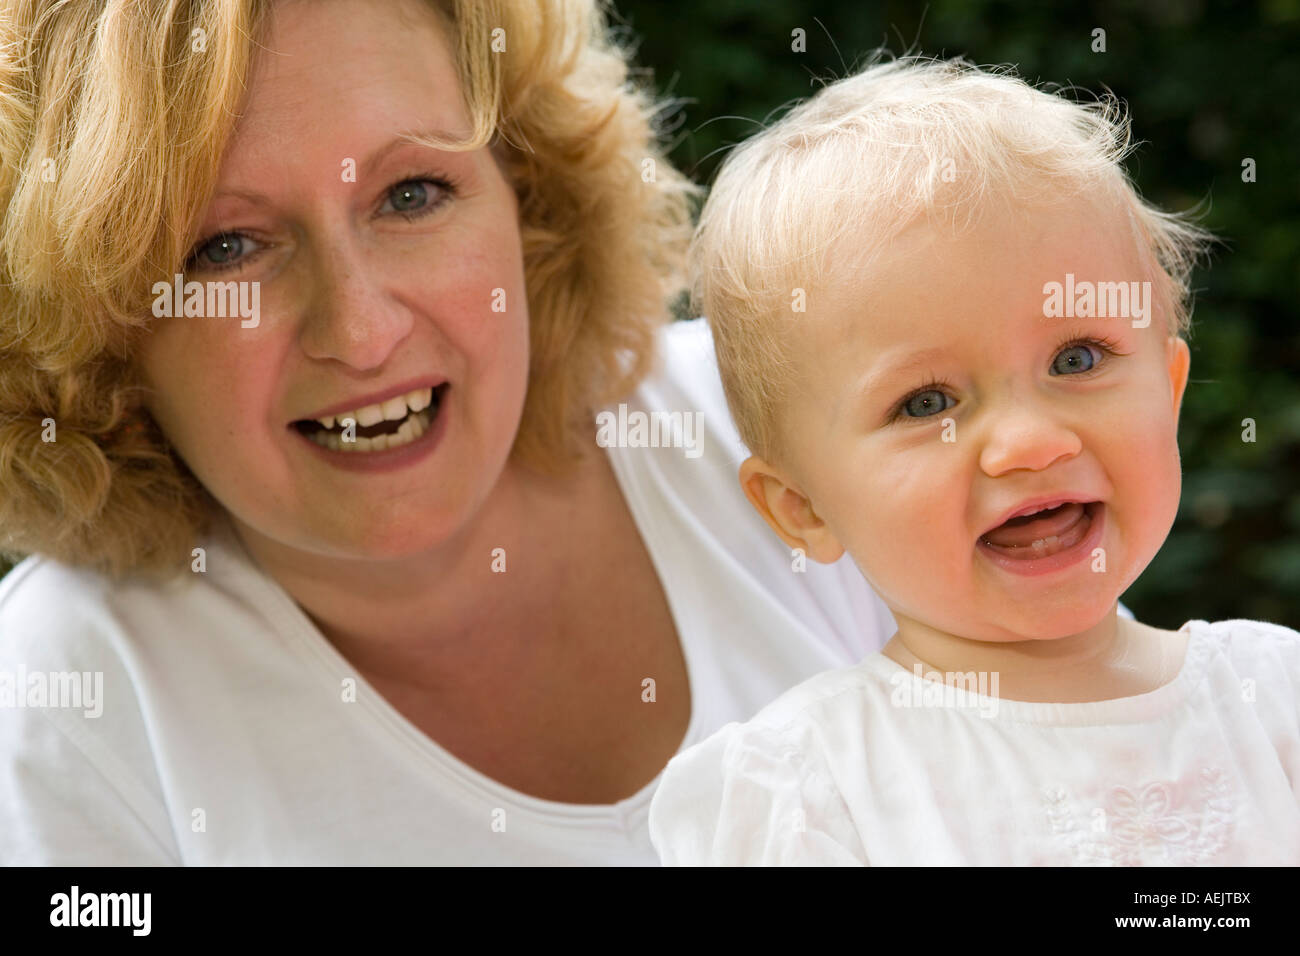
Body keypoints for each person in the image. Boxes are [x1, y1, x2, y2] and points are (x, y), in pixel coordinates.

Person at [0, 0, 898, 865]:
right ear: (97, 335)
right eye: (225, 248)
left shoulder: (788, 433)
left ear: (531, 197)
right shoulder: (67, 703)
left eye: (412, 193)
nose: (361, 333)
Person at [647, 57, 1300, 865]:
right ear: (802, 508)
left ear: (1169, 391)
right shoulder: (811, 792)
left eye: (1077, 358)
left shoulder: (1274, 705)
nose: (1031, 441)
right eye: (926, 403)